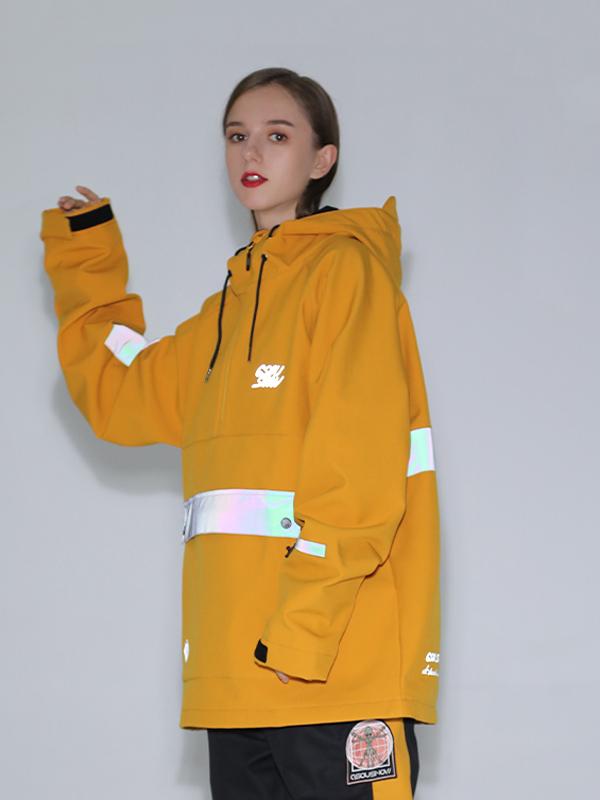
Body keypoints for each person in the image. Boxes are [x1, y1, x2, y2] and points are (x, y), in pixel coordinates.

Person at [40, 67, 441, 799]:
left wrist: (303, 633)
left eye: (277, 136)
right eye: (236, 136)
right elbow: (119, 391)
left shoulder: (345, 272)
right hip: (238, 680)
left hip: (332, 672)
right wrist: (89, 258)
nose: (251, 152)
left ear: (322, 160)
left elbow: (360, 474)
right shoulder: (225, 316)